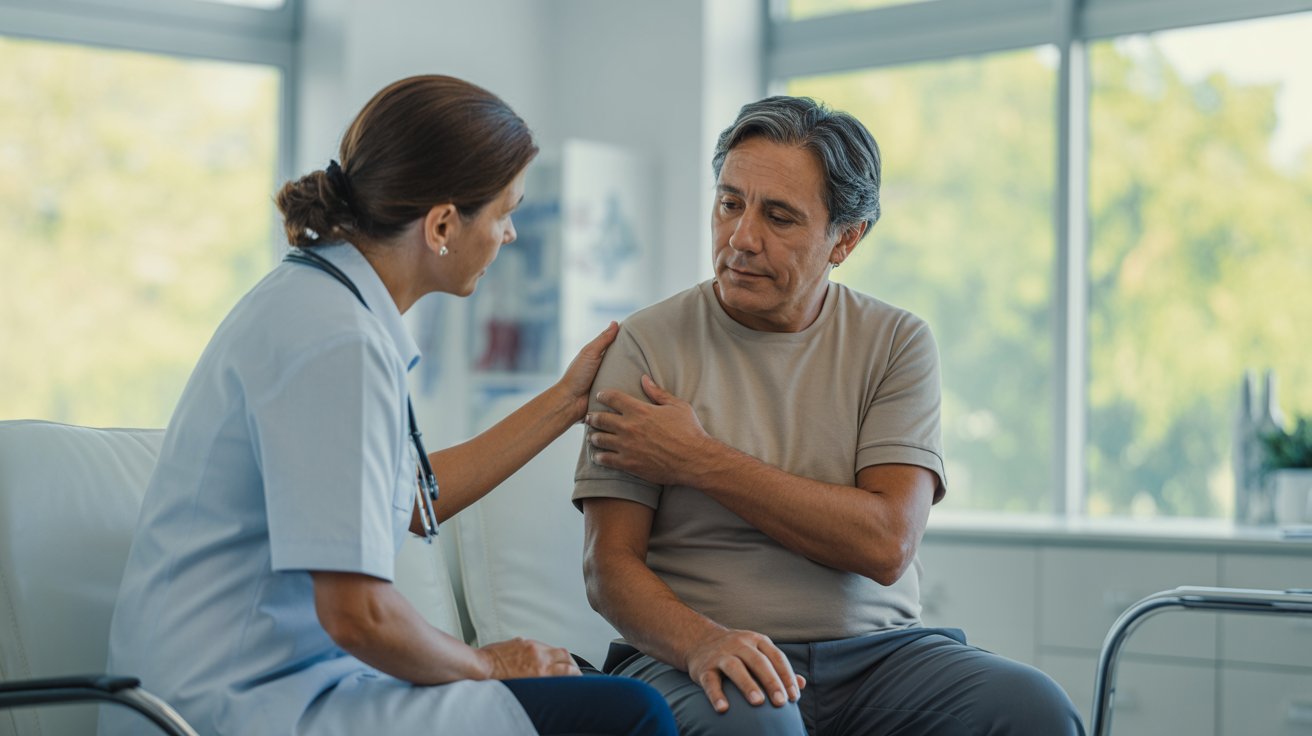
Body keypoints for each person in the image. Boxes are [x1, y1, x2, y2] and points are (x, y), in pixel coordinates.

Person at [98, 75, 677, 736]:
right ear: (441, 225)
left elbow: (409, 503)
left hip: (273, 686)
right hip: (235, 709)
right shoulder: (337, 341)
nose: (509, 234)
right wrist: (487, 664)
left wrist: (569, 400)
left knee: (585, 685)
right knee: (630, 714)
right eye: (503, 212)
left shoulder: (324, 304)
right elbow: (358, 615)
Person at [572, 95, 1085, 735]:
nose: (741, 238)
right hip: (697, 654)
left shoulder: (897, 343)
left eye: (779, 217)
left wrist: (698, 459)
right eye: (730, 203)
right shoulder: (646, 346)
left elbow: (886, 542)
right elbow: (608, 567)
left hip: (881, 660)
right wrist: (703, 642)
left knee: (1034, 710)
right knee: (758, 720)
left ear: (844, 238)